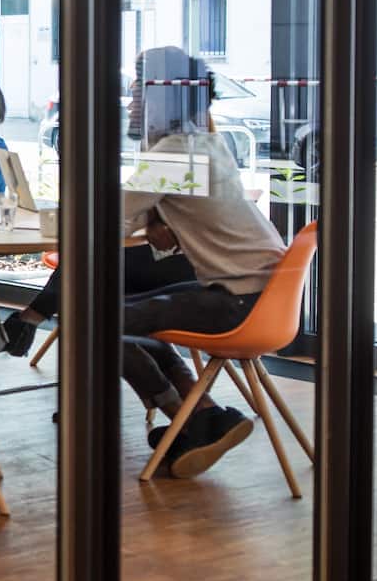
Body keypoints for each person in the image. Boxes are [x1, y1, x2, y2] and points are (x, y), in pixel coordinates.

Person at [116, 46, 284, 477]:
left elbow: (109, 221)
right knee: (130, 317)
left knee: (94, 323)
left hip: (237, 301)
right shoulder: (205, 143)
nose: (132, 104)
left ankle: (192, 419)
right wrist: (151, 214)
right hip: (263, 294)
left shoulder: (174, 154)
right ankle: (201, 417)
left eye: (138, 95)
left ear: (161, 99)